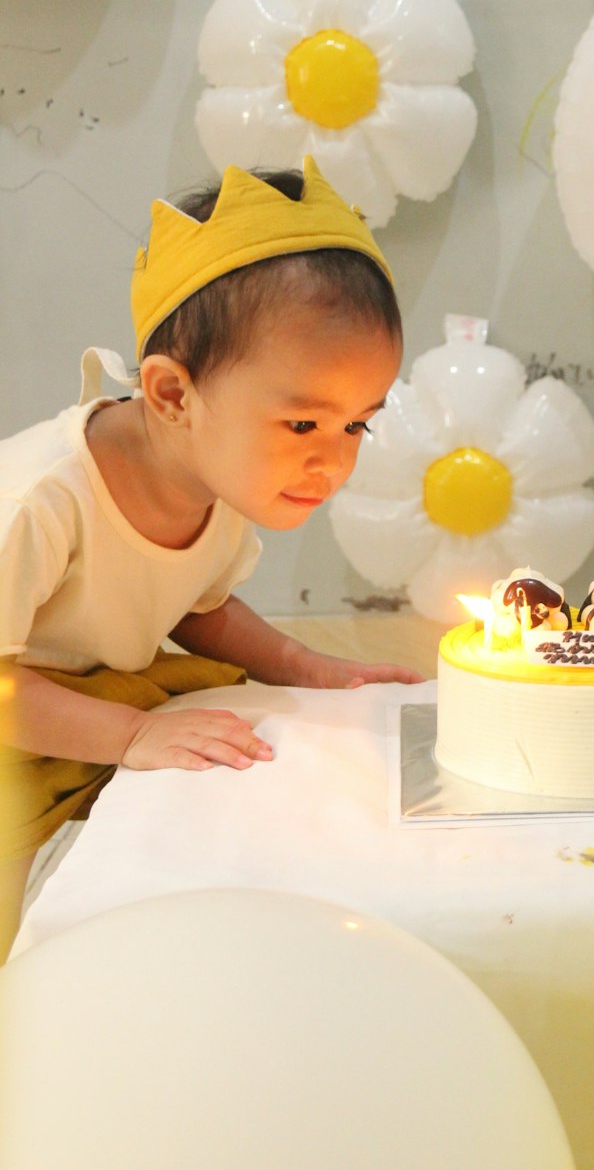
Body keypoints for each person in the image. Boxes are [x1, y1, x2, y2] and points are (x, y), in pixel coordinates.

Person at [0, 157, 422, 957]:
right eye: (304, 426)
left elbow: (199, 604)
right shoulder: (41, 503)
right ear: (171, 395)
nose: (333, 463)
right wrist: (127, 737)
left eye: (357, 425)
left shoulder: (209, 472)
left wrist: (305, 665)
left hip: (93, 696)